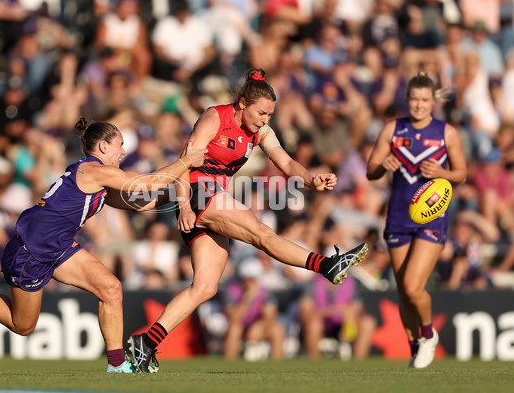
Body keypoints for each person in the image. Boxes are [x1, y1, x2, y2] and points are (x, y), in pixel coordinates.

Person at [128, 68, 368, 372]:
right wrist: (185, 205)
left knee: (204, 287)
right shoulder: (215, 117)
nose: (265, 120)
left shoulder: (261, 132)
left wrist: (311, 179)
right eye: (262, 113)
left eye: (270, 114)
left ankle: (145, 343)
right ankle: (325, 265)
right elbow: (185, 163)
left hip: (212, 200)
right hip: (198, 193)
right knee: (261, 234)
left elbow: (286, 162)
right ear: (243, 103)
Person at [0, 117, 207, 374]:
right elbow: (147, 182)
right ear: (103, 147)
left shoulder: (99, 177)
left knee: (111, 288)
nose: (123, 152)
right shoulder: (93, 170)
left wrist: (184, 198)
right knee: (23, 325)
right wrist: (186, 161)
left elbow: (140, 202)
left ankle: (116, 364)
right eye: (120, 145)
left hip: (58, 246)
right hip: (31, 250)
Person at [366, 70, 467, 368]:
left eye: (424, 100)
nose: (419, 105)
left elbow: (461, 173)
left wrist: (443, 174)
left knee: (413, 286)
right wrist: (383, 165)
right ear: (407, 99)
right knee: (403, 292)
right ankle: (415, 346)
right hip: (397, 217)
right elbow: (370, 169)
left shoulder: (446, 132)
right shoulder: (392, 130)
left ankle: (427, 335)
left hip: (431, 219)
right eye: (414, 99)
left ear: (432, 101)